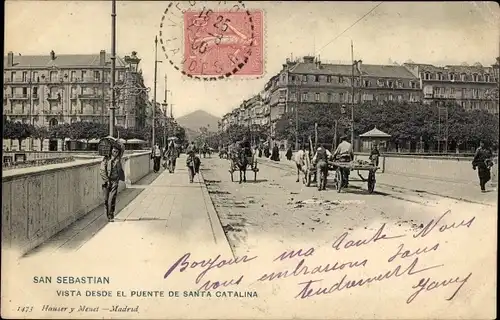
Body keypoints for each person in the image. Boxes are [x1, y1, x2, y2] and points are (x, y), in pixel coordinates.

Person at [100, 144, 125, 222]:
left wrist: (117, 142)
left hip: (115, 181)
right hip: (106, 181)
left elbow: (123, 147)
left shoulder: (118, 159)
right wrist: (107, 181)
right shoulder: (106, 159)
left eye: (117, 152)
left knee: (112, 198)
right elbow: (102, 170)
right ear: (111, 151)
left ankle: (111, 215)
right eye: (114, 151)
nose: (115, 153)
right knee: (106, 199)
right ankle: (108, 214)